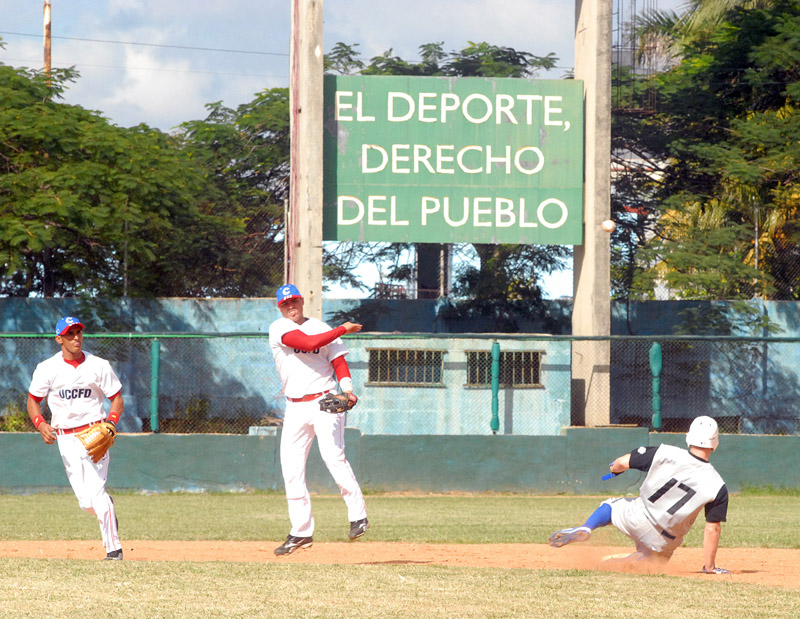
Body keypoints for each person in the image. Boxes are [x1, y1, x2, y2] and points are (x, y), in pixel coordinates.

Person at [548, 415, 730, 574]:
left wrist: (614, 469)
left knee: (611, 505)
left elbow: (622, 463)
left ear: (689, 437)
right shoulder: (718, 485)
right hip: (665, 540)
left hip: (638, 517)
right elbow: (712, 529)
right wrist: (710, 567)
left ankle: (587, 527)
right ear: (715, 443)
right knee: (652, 563)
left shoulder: (665, 452)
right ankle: (617, 564)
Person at [268, 284, 368, 556]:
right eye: (285, 303)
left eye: (294, 301)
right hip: (294, 407)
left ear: (302, 301)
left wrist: (347, 390)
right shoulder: (279, 327)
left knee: (333, 457)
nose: (290, 306)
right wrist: (342, 329)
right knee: (291, 469)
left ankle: (358, 516)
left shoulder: (320, 327)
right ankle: (301, 532)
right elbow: (309, 343)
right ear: (279, 307)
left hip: (325, 401)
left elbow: (338, 362)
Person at [27, 316, 125, 561]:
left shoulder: (99, 365)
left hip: (94, 434)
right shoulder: (47, 368)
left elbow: (116, 398)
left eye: (79, 332)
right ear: (59, 339)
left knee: (97, 493)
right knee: (85, 502)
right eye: (69, 334)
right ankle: (107, 508)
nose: (76, 337)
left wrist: (111, 422)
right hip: (65, 439)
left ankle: (114, 550)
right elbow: (33, 400)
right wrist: (41, 424)